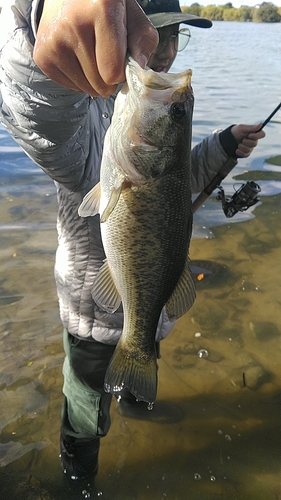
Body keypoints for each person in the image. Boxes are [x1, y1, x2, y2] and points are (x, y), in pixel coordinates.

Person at [0, 0, 265, 484]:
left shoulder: (144, 124)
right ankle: (79, 470)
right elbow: (38, 119)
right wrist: (41, 15)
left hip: (153, 304)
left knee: (141, 359)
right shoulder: (83, 121)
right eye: (156, 35)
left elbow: (171, 180)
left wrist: (223, 144)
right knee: (84, 404)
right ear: (121, 32)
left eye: (174, 37)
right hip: (91, 314)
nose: (164, 53)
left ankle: (139, 404)